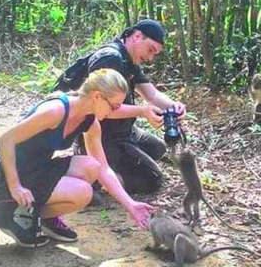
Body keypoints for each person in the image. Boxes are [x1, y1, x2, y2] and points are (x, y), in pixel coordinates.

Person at [0, 68, 154, 247]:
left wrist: (130, 204)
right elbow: (5, 140)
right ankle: (8, 211)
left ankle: (44, 218)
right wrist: (15, 186)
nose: (115, 111)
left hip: (38, 167)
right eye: (114, 106)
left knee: (91, 166)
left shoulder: (89, 121)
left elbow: (103, 168)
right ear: (97, 96)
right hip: (9, 174)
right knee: (83, 192)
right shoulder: (56, 111)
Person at [61, 19, 186, 195]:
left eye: (155, 54)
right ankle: (95, 179)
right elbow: (99, 108)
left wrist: (175, 107)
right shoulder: (110, 58)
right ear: (136, 36)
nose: (150, 58)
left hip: (123, 129)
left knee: (157, 148)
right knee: (152, 180)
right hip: (100, 131)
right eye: (150, 49)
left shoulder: (130, 61)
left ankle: (103, 165)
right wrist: (142, 111)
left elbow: (151, 94)